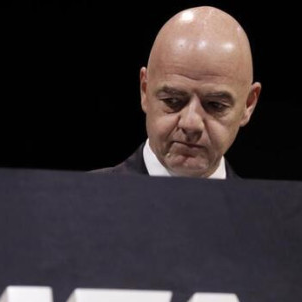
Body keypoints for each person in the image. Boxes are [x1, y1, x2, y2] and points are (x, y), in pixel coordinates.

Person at [95, 6, 261, 179]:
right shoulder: (79, 201)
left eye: (215, 105)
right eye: (172, 101)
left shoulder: (267, 207)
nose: (191, 124)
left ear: (248, 105)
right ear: (144, 90)